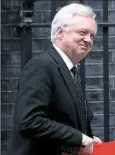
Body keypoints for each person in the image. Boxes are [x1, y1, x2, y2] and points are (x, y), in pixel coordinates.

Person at [7, 2, 102, 155]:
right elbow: (30, 120)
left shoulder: (70, 70)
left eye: (92, 35)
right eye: (82, 32)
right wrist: (79, 138)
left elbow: (64, 121)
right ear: (60, 32)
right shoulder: (41, 66)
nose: (89, 40)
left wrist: (87, 139)